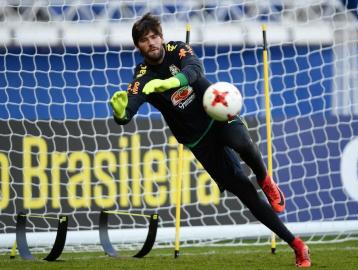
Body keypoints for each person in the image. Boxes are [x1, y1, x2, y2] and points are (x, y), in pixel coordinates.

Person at [110, 13, 311, 268]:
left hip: (215, 112)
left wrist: (170, 83)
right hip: (198, 141)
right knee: (244, 192)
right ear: (138, 46)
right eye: (144, 40)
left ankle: (265, 179)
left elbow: (195, 71)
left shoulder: (178, 50)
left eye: (154, 36)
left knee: (241, 142)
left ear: (161, 37)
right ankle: (297, 245)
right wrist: (121, 113)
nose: (151, 43)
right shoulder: (142, 76)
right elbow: (129, 109)